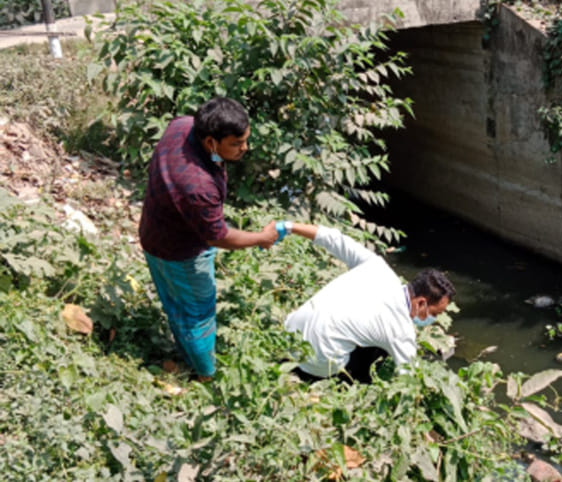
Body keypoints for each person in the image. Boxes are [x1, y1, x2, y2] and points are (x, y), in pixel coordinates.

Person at [139, 97, 279, 380]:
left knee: (175, 303)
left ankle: (185, 353)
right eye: (236, 144)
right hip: (182, 253)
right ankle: (206, 376)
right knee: (198, 315)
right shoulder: (197, 185)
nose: (245, 148)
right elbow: (219, 236)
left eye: (245, 140)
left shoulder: (182, 125)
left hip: (154, 234)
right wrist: (261, 237)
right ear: (211, 143)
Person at [282, 222, 455, 382]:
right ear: (421, 303)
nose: (434, 318)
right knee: (380, 354)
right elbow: (410, 380)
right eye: (434, 313)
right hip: (315, 366)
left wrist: (288, 226)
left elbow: (333, 239)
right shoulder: (401, 331)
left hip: (287, 337)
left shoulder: (377, 266)